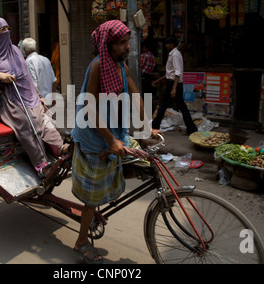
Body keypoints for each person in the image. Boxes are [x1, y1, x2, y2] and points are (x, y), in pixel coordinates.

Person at [71, 20, 161, 264]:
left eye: (126, 41)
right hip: (94, 133)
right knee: (91, 199)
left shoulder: (121, 65)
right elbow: (89, 107)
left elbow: (135, 95)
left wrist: (145, 126)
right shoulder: (98, 65)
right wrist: (110, 140)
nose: (126, 46)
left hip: (113, 128)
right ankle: (81, 241)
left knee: (135, 157)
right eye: (121, 42)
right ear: (107, 45)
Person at [0, 17, 68, 176]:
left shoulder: (14, 50)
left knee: (46, 119)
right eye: (1, 30)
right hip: (8, 99)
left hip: (28, 94)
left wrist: (38, 95)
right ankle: (41, 164)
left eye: (7, 29)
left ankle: (59, 148)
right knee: (27, 123)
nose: (6, 32)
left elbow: (26, 76)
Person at [151, 36, 197, 135]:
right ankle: (192, 128)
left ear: (172, 44)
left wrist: (174, 89)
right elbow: (169, 73)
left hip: (174, 84)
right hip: (173, 83)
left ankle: (155, 126)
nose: (166, 46)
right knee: (179, 106)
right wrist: (158, 81)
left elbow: (177, 73)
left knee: (164, 105)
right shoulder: (172, 54)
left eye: (168, 44)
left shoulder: (175, 54)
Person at [22, 37, 57, 103]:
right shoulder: (46, 59)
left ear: (24, 49)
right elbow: (53, 81)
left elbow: (33, 84)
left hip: (39, 101)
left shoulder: (28, 62)